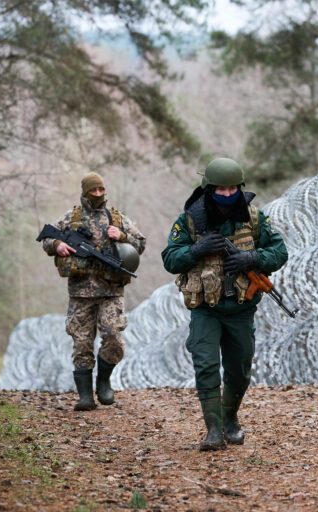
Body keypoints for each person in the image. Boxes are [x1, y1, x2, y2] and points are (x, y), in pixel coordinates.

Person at [161, 158, 288, 450]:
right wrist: (195, 250)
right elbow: (170, 258)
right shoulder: (190, 220)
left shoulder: (254, 218)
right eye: (222, 189)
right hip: (206, 309)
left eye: (233, 189)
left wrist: (253, 258)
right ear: (209, 188)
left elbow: (279, 252)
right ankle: (214, 430)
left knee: (239, 369)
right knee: (206, 365)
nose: (228, 194)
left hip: (241, 309)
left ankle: (230, 418)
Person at [42, 172, 146, 411]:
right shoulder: (72, 217)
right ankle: (85, 395)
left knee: (113, 338)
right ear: (85, 191)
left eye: (101, 190)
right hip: (80, 293)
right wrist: (58, 245)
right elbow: (47, 237)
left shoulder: (116, 217)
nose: (98, 194)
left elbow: (140, 243)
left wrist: (122, 236)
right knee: (81, 343)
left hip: (111, 291)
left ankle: (104, 382)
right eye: (93, 190)